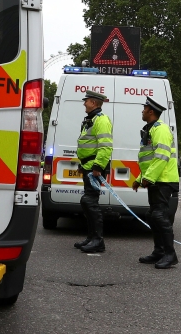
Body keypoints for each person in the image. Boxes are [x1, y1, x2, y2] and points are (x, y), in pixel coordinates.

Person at [132, 96, 180, 269]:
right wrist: (139, 179)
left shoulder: (160, 130)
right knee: (152, 215)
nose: (142, 111)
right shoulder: (150, 129)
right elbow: (148, 159)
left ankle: (170, 254)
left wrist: (148, 178)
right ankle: (159, 252)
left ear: (150, 111)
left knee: (159, 216)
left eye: (144, 108)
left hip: (164, 179)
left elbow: (161, 157)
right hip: (157, 178)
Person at [74, 90, 112, 254]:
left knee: (90, 202)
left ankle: (98, 241)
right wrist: (84, 164)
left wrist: (98, 167)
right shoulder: (91, 119)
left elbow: (106, 146)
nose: (84, 104)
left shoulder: (101, 120)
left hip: (94, 168)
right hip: (89, 166)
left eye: (87, 101)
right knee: (87, 202)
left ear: (94, 103)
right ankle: (91, 238)